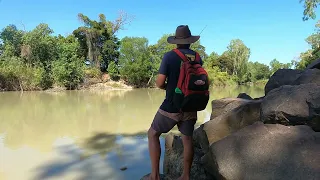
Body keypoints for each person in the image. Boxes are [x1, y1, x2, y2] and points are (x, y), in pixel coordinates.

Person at [147, 25, 203, 180]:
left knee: (152, 134)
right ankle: (185, 176)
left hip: (172, 105)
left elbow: (159, 83)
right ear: (190, 41)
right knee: (187, 139)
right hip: (191, 104)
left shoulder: (169, 56)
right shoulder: (197, 57)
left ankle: (154, 175)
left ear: (176, 41)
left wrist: (167, 88)